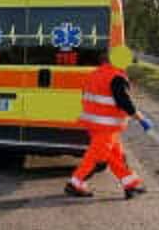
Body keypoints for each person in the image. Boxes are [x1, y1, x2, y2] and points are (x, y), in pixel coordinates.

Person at [66, 45, 153, 199]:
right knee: (96, 157)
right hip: (107, 126)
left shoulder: (94, 74)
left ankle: (130, 184)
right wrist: (142, 119)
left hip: (94, 123)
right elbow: (125, 103)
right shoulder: (116, 77)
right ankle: (75, 183)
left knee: (116, 156)